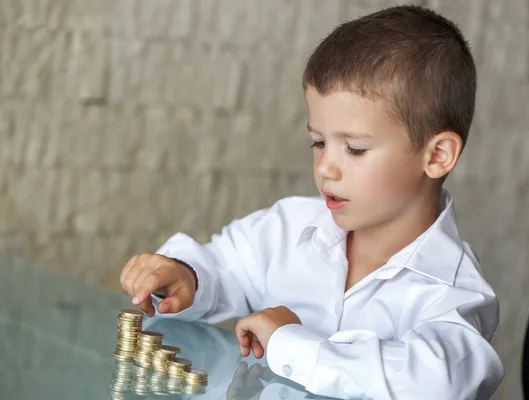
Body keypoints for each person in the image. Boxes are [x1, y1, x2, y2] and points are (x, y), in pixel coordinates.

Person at [119, 5, 503, 399]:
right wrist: (188, 276)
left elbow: (438, 384)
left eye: (354, 149)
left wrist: (291, 343)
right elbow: (224, 266)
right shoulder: (289, 225)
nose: (326, 169)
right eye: (319, 142)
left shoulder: (455, 293)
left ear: (437, 155)